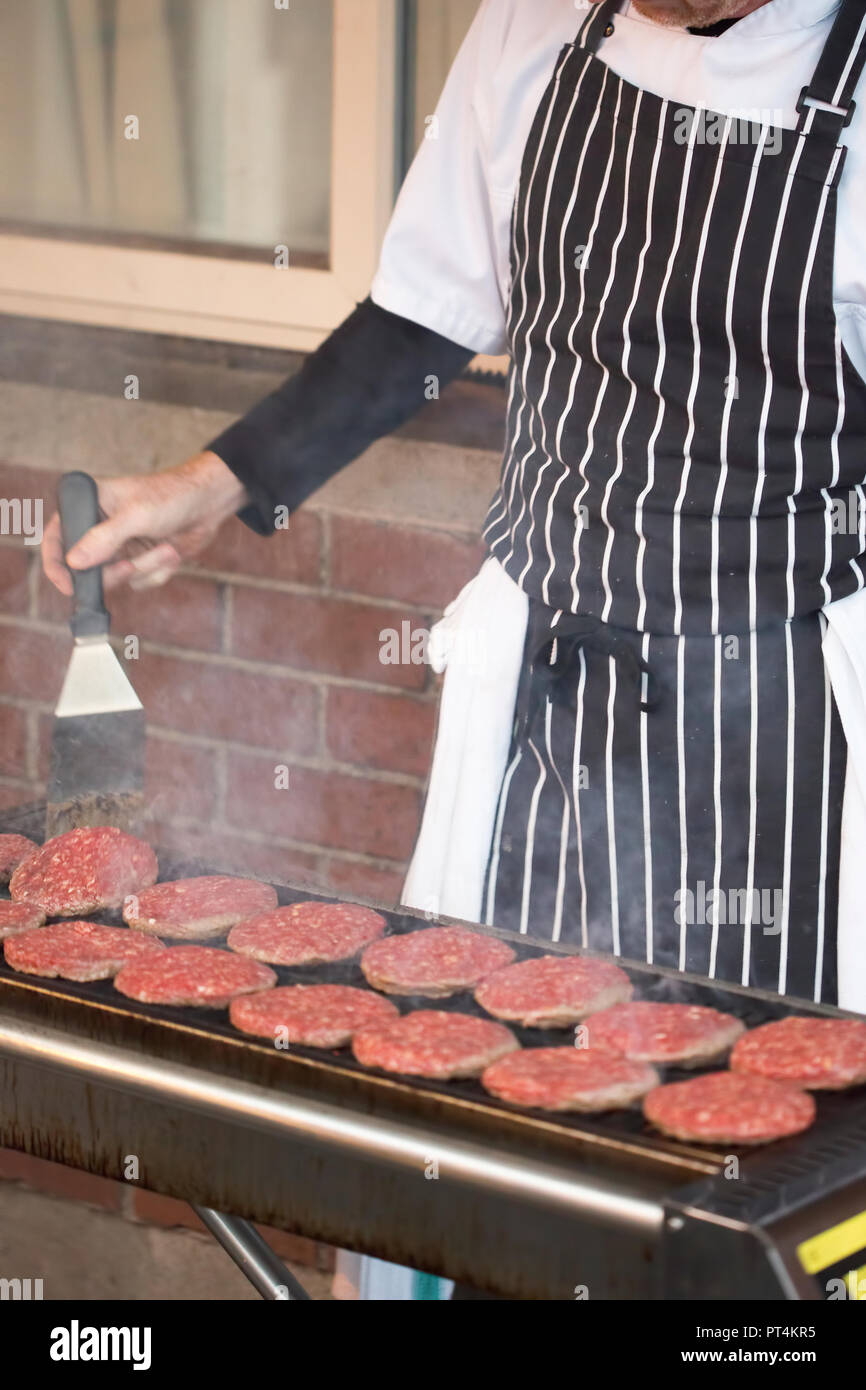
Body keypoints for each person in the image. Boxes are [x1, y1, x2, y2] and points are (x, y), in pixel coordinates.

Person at [43, 0, 866, 1294]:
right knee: (509, 1109)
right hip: (544, 682)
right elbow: (424, 315)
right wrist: (215, 483)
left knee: (763, 1170)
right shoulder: (538, 32)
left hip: (778, 713)